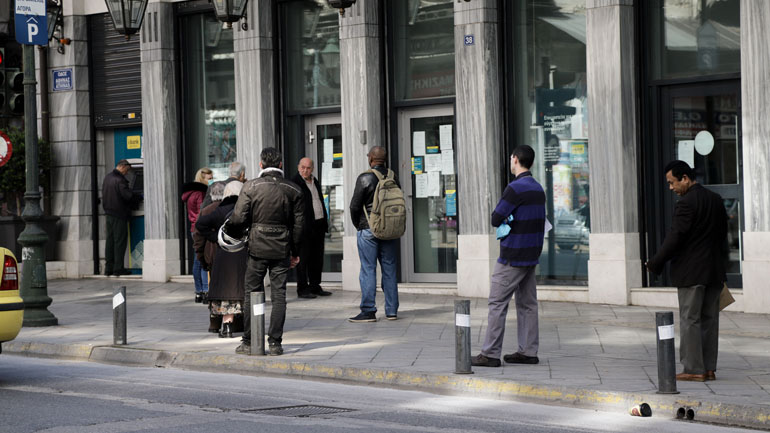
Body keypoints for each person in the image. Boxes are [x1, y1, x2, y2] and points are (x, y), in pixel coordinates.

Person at [646, 160, 728, 382]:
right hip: (714, 271)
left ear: (685, 178)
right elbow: (723, 236)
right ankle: (708, 368)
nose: (671, 187)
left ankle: (693, 369)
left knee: (690, 319)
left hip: (692, 272)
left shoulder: (686, 203)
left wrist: (655, 262)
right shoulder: (715, 199)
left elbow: (675, 237)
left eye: (672, 182)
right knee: (709, 319)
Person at [472, 145, 546, 367]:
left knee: (497, 302)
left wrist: (505, 218)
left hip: (513, 255)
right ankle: (528, 351)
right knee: (528, 304)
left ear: (515, 159)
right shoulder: (538, 188)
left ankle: (490, 353)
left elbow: (496, 218)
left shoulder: (515, 189)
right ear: (531, 162)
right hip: (531, 254)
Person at [225, 148, 304, 356]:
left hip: (257, 248)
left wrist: (235, 236)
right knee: (279, 296)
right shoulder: (293, 189)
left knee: (252, 293)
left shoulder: (251, 186)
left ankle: (249, 341)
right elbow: (299, 226)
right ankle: (275, 343)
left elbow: (238, 218)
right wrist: (295, 252)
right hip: (281, 248)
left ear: (260, 164)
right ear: (280, 165)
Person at [348, 146, 399, 322]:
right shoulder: (393, 176)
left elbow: (354, 206)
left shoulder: (364, 178)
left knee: (368, 269)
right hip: (389, 229)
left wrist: (360, 225)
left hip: (368, 228)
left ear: (370, 158)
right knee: (389, 268)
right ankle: (391, 311)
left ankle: (368, 311)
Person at [195, 181, 248, 339]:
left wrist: (217, 238)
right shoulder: (247, 210)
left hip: (224, 254)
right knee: (241, 289)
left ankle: (227, 326)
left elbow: (200, 224)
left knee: (226, 291)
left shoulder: (220, 210)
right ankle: (246, 326)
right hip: (242, 254)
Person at [291, 157, 332, 299]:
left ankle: (315, 286)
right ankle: (302, 288)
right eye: (303, 167)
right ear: (298, 167)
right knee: (303, 259)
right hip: (304, 226)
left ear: (312, 169)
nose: (305, 170)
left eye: (308, 168)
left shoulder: (315, 181)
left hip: (318, 224)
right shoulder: (295, 183)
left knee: (317, 258)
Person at [193, 181, 226, 334]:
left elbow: (198, 236)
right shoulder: (229, 209)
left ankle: (214, 322)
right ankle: (231, 320)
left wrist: (200, 256)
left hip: (211, 255)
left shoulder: (206, 211)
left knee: (214, 287)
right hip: (228, 254)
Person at [101, 159, 140, 276]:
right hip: (119, 214)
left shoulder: (107, 178)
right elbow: (127, 196)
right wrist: (138, 197)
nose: (127, 173)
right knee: (119, 241)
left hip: (109, 213)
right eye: (127, 170)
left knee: (110, 241)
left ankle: (109, 268)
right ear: (122, 167)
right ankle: (118, 268)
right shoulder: (120, 180)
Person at [182, 167, 213, 303]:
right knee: (203, 260)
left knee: (197, 261)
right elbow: (203, 211)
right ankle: (205, 290)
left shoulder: (190, 193)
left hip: (193, 228)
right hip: (201, 228)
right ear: (202, 178)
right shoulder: (201, 193)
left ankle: (199, 291)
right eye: (210, 178)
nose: (212, 180)